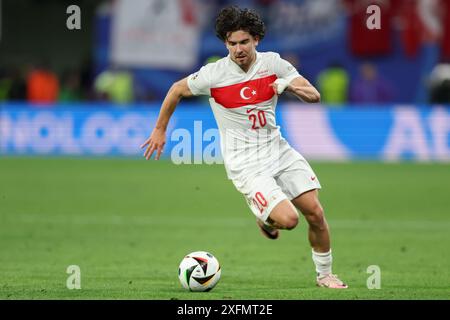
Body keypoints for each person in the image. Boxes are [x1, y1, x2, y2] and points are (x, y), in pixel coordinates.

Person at [141, 6, 347, 289]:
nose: (238, 49)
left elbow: (314, 95)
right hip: (246, 163)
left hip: (279, 151)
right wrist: (160, 129)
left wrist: (288, 86)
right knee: (289, 221)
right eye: (232, 43)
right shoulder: (215, 74)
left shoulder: (273, 64)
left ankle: (325, 275)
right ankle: (265, 216)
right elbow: (176, 89)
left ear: (256, 40)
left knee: (316, 213)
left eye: (244, 42)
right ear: (226, 43)